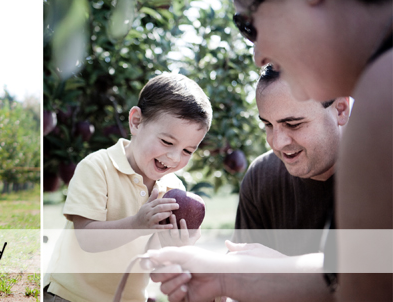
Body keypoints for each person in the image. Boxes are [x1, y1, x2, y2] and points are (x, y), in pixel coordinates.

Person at [148, 0, 393, 300]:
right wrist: (224, 279)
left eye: (250, 25)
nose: (257, 56)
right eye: (268, 125)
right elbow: (351, 273)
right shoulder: (263, 177)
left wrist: (264, 269)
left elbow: (363, 284)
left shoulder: (384, 88)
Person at [146, 66, 351, 302]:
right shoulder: (262, 176)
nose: (277, 142)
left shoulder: (378, 176)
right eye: (268, 125)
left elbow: (370, 277)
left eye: (294, 124)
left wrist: (273, 270)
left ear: (340, 110)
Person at [43, 73, 212, 302]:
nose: (174, 157)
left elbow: (152, 263)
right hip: (71, 295)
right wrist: (136, 224)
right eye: (167, 142)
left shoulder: (173, 189)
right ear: (136, 122)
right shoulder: (98, 167)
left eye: (187, 151)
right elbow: (86, 239)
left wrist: (176, 247)